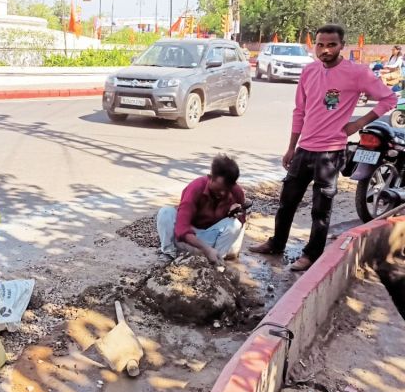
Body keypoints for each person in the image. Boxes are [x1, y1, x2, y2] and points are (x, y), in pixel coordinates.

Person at [249, 24, 397, 271]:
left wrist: (359, 123)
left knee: (321, 208)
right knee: (287, 201)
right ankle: (277, 243)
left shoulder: (357, 73)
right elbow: (300, 111)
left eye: (331, 45)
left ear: (341, 46)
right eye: (320, 44)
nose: (325, 50)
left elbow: (389, 98)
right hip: (304, 149)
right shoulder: (309, 71)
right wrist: (291, 147)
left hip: (330, 152)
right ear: (314, 45)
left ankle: (311, 254)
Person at [157, 155, 247, 266]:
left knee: (235, 224)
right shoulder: (195, 188)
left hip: (212, 241)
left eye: (226, 190)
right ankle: (169, 253)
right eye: (219, 189)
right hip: (188, 239)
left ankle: (217, 261)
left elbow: (242, 221)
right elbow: (182, 229)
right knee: (165, 212)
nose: (222, 193)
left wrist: (235, 214)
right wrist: (206, 249)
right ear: (211, 178)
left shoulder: (237, 192)